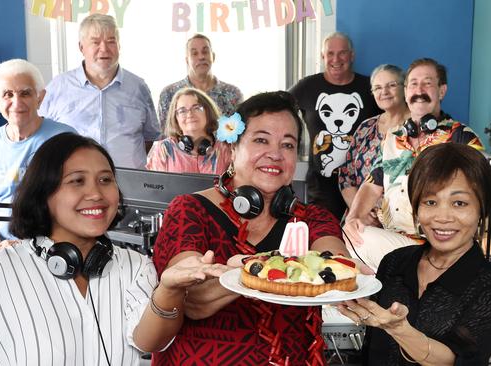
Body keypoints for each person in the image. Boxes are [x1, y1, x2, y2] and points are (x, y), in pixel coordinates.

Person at [0, 132, 228, 365]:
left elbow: (148, 342)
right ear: (43, 194)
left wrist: (169, 289)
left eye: (105, 180)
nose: (96, 194)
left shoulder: (134, 266)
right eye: (77, 181)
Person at [152, 91, 358, 365]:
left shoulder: (313, 218)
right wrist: (248, 272)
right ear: (233, 148)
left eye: (287, 145)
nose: (275, 154)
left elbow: (333, 262)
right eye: (261, 140)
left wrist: (345, 274)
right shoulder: (189, 211)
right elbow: (191, 300)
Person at [338, 143, 491, 365]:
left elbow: (455, 360)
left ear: (482, 210)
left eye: (459, 203)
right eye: (430, 202)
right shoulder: (394, 262)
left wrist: (399, 330)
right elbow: (371, 350)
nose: (442, 217)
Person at [343, 58, 484, 271]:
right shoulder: (393, 137)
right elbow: (372, 184)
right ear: (406, 92)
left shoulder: (461, 136)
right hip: (393, 235)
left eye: (427, 83)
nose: (419, 90)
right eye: (413, 84)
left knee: (360, 250)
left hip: (435, 242)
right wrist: (354, 216)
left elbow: (482, 193)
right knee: (350, 231)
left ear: (442, 91)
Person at [0, 59, 77, 253]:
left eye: (25, 93)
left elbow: (77, 200)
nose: (17, 102)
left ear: (40, 97)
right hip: (4, 251)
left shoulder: (66, 139)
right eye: (8, 94)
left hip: (55, 250)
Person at [38, 14, 160, 169]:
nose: (104, 49)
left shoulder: (138, 87)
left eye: (111, 41)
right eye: (95, 42)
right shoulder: (58, 87)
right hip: (74, 182)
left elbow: (149, 137)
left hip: (128, 184)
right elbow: (41, 136)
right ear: (81, 47)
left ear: (119, 46)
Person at [289, 31, 381, 220]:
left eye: (342, 53)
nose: (336, 59)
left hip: (365, 184)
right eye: (330, 53)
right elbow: (277, 105)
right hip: (322, 185)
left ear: (352, 55)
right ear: (323, 56)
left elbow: (393, 117)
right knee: (324, 234)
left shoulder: (369, 87)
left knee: (362, 236)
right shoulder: (308, 86)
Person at [339, 64, 410, 208]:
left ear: (405, 88)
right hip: (360, 219)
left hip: (402, 221)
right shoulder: (366, 127)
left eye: (391, 85)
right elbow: (346, 176)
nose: (384, 92)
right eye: (377, 88)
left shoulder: (417, 126)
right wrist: (359, 212)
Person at [158, 34, 243, 128]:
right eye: (194, 53)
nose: (201, 57)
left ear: (213, 56)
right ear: (187, 60)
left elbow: (240, 134)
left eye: (205, 52)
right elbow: (165, 134)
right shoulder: (169, 94)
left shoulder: (233, 94)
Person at [146, 87, 231, 174]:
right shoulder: (162, 150)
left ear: (208, 112)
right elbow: (155, 186)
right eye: (182, 111)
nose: (190, 114)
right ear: (176, 118)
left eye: (196, 108)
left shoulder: (226, 148)